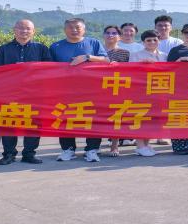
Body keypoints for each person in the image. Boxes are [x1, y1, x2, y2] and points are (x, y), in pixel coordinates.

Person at [0, 19, 52, 165]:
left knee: (33, 124)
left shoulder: (41, 48)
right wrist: (14, 70)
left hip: (34, 93)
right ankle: (8, 154)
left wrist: (31, 68)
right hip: (10, 93)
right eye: (20, 28)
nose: (24, 31)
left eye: (28, 28)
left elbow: (50, 69)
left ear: (33, 31)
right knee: (8, 124)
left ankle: (29, 154)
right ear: (14, 30)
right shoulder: (3, 49)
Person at [50, 17, 109, 162]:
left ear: (84, 29)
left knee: (93, 119)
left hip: (91, 89)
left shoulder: (93, 43)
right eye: (70, 27)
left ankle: (92, 149)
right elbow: (48, 67)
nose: (74, 30)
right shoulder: (56, 46)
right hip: (64, 90)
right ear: (65, 30)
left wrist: (87, 57)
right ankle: (68, 149)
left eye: (77, 27)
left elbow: (106, 60)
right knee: (65, 118)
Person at [165, 24, 188, 155]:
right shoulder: (176, 50)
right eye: (187, 33)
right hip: (178, 88)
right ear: (182, 34)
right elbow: (167, 69)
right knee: (178, 116)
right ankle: (179, 146)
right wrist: (180, 60)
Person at [102, 25, 131, 157]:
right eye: (108, 33)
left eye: (114, 33)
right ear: (103, 35)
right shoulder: (96, 50)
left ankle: (114, 146)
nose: (111, 35)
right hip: (97, 88)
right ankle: (93, 146)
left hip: (116, 88)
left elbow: (129, 71)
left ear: (119, 37)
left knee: (116, 117)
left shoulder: (125, 53)